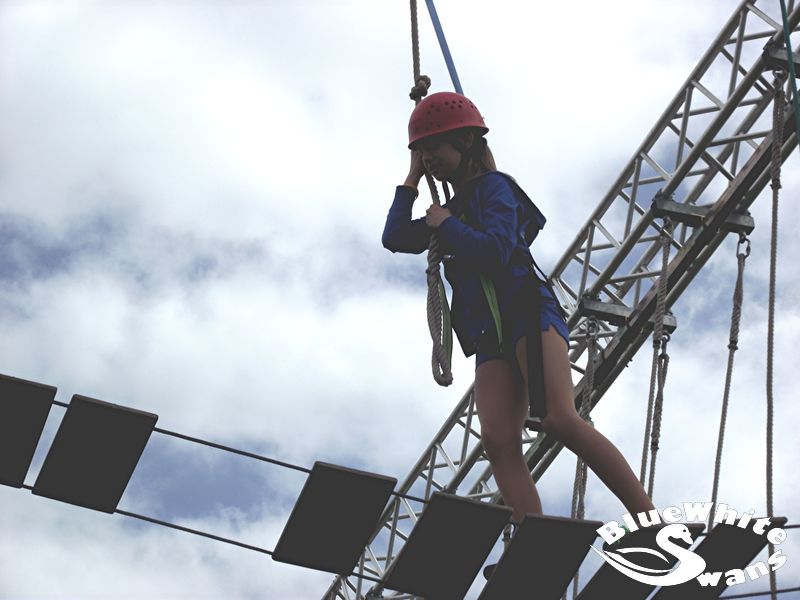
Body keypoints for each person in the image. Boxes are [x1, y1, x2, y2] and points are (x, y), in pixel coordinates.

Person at [382, 91, 656, 531]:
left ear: (465, 142)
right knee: (497, 439)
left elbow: (495, 251)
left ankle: (649, 518)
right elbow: (395, 237)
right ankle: (534, 536)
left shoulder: (496, 188)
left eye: (433, 148)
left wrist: (446, 225)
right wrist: (412, 178)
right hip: (491, 334)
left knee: (559, 418)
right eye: (422, 151)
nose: (428, 157)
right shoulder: (450, 209)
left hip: (526, 312)